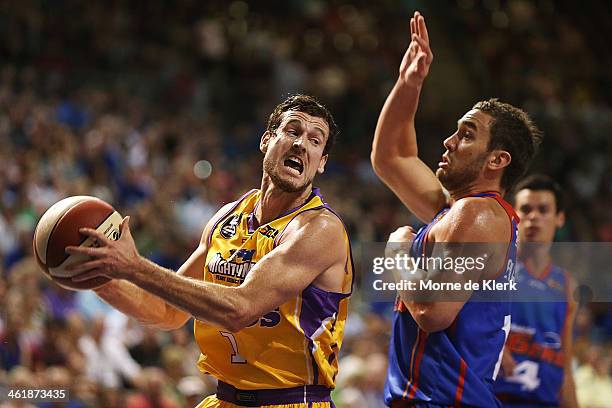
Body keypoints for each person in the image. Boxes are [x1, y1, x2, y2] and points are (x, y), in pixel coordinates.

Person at [65, 94, 354, 408]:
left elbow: (238, 310)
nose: (301, 144)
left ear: (322, 162)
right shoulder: (227, 216)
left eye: (315, 140)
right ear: (267, 140)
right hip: (223, 399)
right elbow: (167, 311)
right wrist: (100, 275)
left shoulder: (320, 229)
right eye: (293, 131)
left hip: (291, 401)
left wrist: (133, 267)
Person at [371, 11, 542, 407]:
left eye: (467, 135)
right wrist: (408, 84)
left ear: (497, 160)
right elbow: (390, 156)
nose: (448, 141)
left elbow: (432, 311)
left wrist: (397, 253)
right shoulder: (456, 210)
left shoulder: (478, 217)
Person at [494, 174, 578, 407]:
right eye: (525, 209)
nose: (533, 217)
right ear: (514, 216)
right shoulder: (495, 267)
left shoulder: (567, 285)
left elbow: (565, 366)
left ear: (559, 218)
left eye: (543, 210)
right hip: (496, 399)